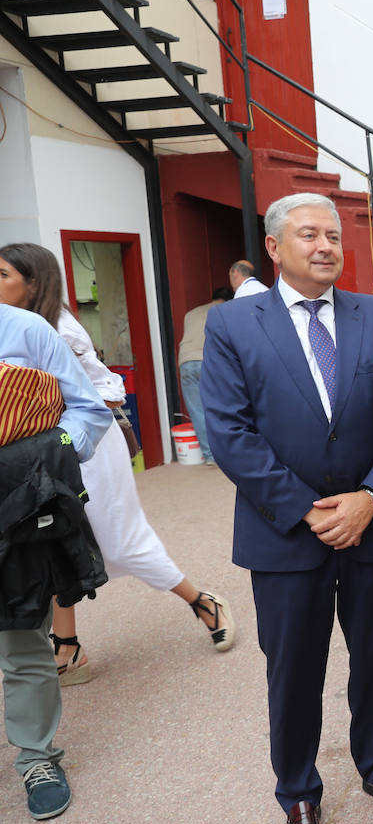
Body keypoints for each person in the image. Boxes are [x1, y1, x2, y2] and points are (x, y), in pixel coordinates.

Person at [201, 193, 373, 824]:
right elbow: (230, 434)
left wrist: (371, 498)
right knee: (293, 670)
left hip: (369, 526)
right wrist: (306, 508)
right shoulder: (233, 328)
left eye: (333, 234)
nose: (326, 245)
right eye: (309, 235)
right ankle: (299, 793)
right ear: (274, 247)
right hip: (284, 534)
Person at [0, 244, 235, 688]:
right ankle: (67, 647)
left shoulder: (59, 329)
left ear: (33, 283)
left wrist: (60, 429)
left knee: (117, 540)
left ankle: (204, 601)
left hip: (84, 447)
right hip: (38, 455)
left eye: (2, 274)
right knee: (53, 537)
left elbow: (107, 390)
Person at [0, 296, 109, 821]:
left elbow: (88, 409)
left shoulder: (25, 331)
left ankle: (37, 757)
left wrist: (47, 452)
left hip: (14, 513)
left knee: (22, 642)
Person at [178, 286, 234, 465]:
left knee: (197, 410)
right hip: (207, 360)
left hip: (185, 361)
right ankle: (228, 452)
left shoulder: (191, 313)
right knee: (220, 407)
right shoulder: (224, 311)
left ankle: (210, 456)